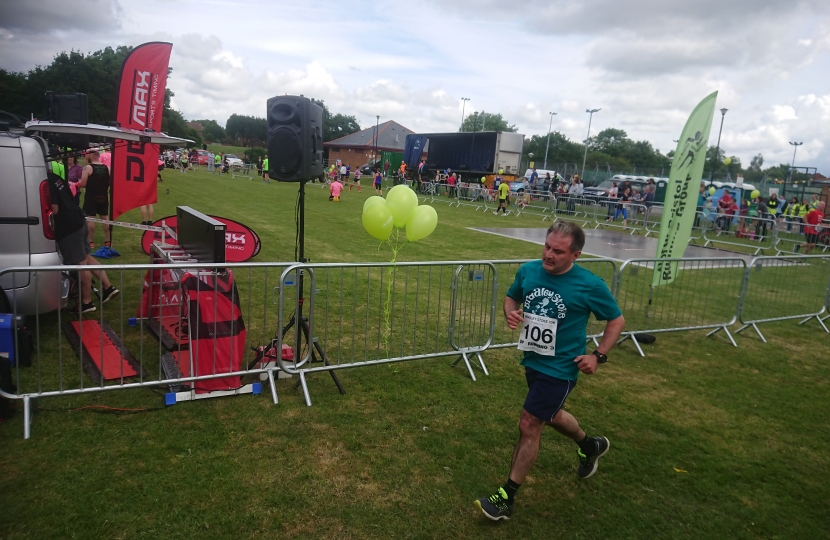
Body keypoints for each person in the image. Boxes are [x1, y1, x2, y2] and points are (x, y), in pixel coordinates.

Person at [474, 221, 625, 521]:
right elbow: (510, 296)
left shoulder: (590, 284)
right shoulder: (529, 270)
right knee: (551, 414)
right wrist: (510, 312)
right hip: (533, 361)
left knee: (530, 422)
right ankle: (589, 445)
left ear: (575, 255)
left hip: (562, 367)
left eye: (558, 251)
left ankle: (506, 498)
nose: (549, 254)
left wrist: (598, 356)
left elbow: (616, 320)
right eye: (547, 246)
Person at [48, 170, 119, 313]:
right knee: (86, 257)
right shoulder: (55, 177)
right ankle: (108, 287)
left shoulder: (47, 182)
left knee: (80, 264)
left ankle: (87, 303)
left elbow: (54, 209)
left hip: (69, 227)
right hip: (79, 220)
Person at [79, 150, 111, 249]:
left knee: (90, 218)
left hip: (91, 196)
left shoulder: (88, 168)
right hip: (103, 196)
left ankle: (90, 241)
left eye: (87, 155)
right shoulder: (107, 168)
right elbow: (110, 182)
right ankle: (108, 240)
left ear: (92, 155)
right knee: (105, 218)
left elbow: (83, 184)